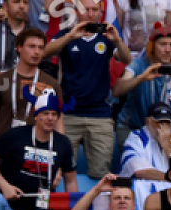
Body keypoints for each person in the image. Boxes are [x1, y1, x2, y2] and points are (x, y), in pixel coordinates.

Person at [44, 1, 131, 180]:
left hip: (100, 115)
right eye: (86, 10)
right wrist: (70, 37)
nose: (90, 14)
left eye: (95, 10)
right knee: (59, 171)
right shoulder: (66, 34)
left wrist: (118, 41)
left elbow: (126, 58)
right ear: (76, 11)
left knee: (101, 174)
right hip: (68, 115)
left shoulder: (107, 36)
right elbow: (46, 52)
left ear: (101, 13)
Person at [0, 28, 62, 161]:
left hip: (37, 155)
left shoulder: (51, 84)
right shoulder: (0, 81)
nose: (36, 52)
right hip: (3, 152)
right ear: (19, 48)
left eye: (41, 48)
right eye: (32, 46)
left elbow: (58, 124)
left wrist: (58, 162)